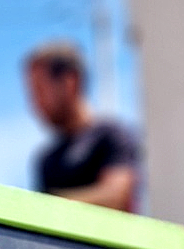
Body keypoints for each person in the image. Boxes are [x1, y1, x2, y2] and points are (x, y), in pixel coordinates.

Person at [23, 40, 140, 212]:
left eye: (40, 90)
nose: (35, 104)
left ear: (70, 82)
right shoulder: (46, 160)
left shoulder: (111, 135)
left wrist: (50, 205)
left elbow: (116, 196)